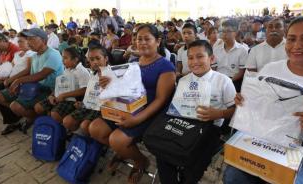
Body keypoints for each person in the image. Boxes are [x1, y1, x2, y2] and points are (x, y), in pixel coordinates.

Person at [224, 15, 303, 184]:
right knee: (233, 176)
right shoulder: (270, 70)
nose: (297, 45)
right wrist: (245, 103)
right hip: (261, 147)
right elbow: (257, 114)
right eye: (291, 39)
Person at [88, 24, 176, 184]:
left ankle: (141, 161)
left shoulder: (166, 66)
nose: (141, 42)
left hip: (150, 112)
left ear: (158, 41)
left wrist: (136, 119)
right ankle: (125, 152)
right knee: (95, 129)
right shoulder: (134, 61)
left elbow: (160, 100)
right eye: (138, 39)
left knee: (117, 139)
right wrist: (108, 83)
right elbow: (124, 87)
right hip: (127, 107)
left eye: (147, 39)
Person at [156, 39, 236, 184]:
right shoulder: (183, 81)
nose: (194, 62)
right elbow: (176, 107)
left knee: (194, 163)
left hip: (209, 129)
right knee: (163, 153)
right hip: (183, 124)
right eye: (190, 58)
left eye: (200, 56)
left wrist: (219, 114)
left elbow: (234, 109)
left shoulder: (223, 81)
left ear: (211, 59)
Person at [0, 28, 63, 133]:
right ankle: (28, 115)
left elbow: (41, 75)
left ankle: (35, 119)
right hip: (35, 86)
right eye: (28, 39)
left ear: (44, 40)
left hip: (50, 89)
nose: (29, 42)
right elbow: (32, 74)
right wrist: (21, 83)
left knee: (16, 106)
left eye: (32, 39)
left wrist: (17, 81)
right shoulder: (35, 55)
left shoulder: (53, 54)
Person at [34, 47, 89, 123]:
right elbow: (60, 85)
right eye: (62, 58)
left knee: (55, 114)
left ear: (75, 59)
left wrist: (64, 95)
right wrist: (52, 95)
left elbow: (85, 89)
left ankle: (63, 129)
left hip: (72, 99)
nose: (62, 61)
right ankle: (49, 122)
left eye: (65, 58)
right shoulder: (66, 69)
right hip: (60, 96)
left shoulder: (81, 71)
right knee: (38, 107)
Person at [0, 32, 35, 135]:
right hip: (12, 79)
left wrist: (12, 79)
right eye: (18, 41)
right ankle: (16, 116)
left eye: (21, 41)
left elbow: (28, 70)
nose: (19, 44)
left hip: (22, 81)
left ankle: (24, 116)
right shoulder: (18, 53)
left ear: (28, 41)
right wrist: (3, 76)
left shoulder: (31, 54)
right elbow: (10, 66)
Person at [62, 45, 108, 132]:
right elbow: (90, 94)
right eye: (91, 60)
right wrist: (83, 103)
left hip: (102, 108)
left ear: (106, 58)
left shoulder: (112, 75)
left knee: (85, 125)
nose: (95, 62)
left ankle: (94, 142)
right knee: (67, 121)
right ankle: (80, 138)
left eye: (98, 58)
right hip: (90, 105)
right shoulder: (93, 75)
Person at [213, 20, 248, 92]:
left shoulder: (242, 50)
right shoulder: (216, 49)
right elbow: (213, 68)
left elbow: (241, 72)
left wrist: (228, 81)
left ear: (235, 33)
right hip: (218, 79)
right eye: (223, 31)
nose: (224, 34)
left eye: (228, 31)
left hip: (234, 80)